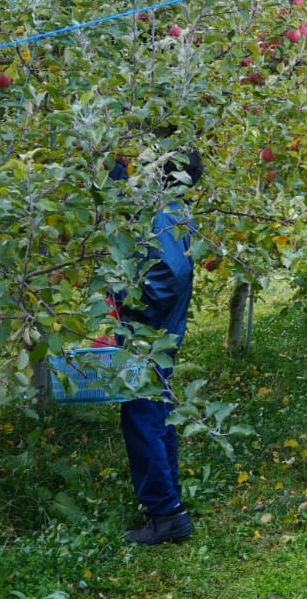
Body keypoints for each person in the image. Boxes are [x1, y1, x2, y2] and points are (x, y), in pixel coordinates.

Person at [114, 149, 203, 545]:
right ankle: (170, 506)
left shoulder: (164, 214)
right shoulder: (166, 210)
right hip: (157, 335)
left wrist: (123, 297)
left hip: (146, 336)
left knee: (144, 418)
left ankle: (166, 512)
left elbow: (168, 275)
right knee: (157, 416)